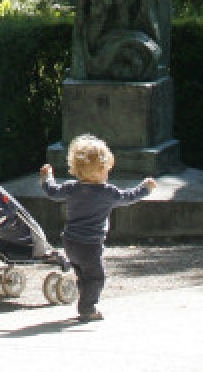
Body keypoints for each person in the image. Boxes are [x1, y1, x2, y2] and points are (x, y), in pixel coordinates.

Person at [39, 135, 157, 322]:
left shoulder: (71, 188)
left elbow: (52, 192)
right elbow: (128, 198)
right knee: (96, 277)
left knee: (82, 273)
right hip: (90, 245)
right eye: (107, 170)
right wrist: (145, 189)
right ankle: (87, 308)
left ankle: (83, 298)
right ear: (102, 170)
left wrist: (47, 177)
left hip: (69, 241)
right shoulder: (107, 192)